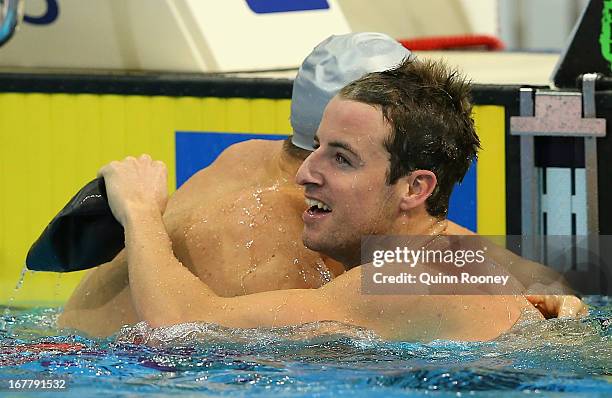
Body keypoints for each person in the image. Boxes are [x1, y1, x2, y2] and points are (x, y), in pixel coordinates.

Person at [59, 34, 584, 337]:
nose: (310, 173)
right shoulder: (442, 254)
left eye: (341, 157)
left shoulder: (369, 274)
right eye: (319, 149)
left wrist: (140, 214)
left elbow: (182, 325)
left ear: (413, 186)